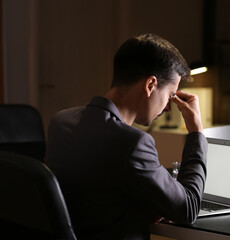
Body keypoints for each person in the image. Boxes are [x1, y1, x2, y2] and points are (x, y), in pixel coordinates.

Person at [45, 33, 207, 239]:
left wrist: (141, 204)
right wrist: (196, 130)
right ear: (150, 85)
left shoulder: (61, 121)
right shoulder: (133, 143)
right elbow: (189, 208)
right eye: (170, 95)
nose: (168, 107)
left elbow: (94, 194)